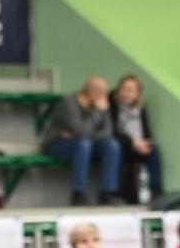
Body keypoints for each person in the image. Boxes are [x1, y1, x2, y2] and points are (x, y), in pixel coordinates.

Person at [41, 77, 121, 206]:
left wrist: (88, 135)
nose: (104, 96)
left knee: (112, 145)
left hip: (85, 142)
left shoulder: (102, 104)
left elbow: (108, 131)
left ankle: (107, 193)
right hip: (57, 143)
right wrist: (97, 112)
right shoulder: (69, 103)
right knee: (83, 144)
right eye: (102, 92)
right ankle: (78, 193)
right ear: (91, 92)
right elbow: (81, 130)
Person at [110, 74, 163, 202]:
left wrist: (146, 142)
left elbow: (146, 129)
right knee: (116, 148)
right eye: (123, 89)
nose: (126, 93)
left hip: (138, 144)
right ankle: (115, 193)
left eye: (130, 90)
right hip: (122, 143)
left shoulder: (140, 108)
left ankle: (156, 192)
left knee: (153, 150)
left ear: (137, 94)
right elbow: (114, 130)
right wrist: (133, 142)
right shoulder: (112, 106)